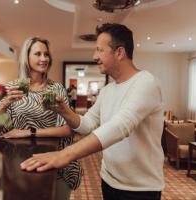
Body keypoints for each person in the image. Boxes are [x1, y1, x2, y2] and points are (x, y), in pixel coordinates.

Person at [20, 23, 165, 200]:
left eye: (99, 50)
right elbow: (87, 124)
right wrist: (65, 111)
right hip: (109, 180)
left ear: (119, 52)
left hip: (139, 189)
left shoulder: (146, 83)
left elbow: (120, 126)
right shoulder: (107, 90)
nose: (94, 56)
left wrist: (64, 155)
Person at [0, 36, 82, 200]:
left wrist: (29, 132)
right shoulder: (11, 88)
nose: (44, 59)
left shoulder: (55, 88)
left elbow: (68, 129)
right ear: (26, 57)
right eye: (38, 54)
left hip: (54, 164)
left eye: (46, 54)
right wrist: (3, 105)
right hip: (17, 162)